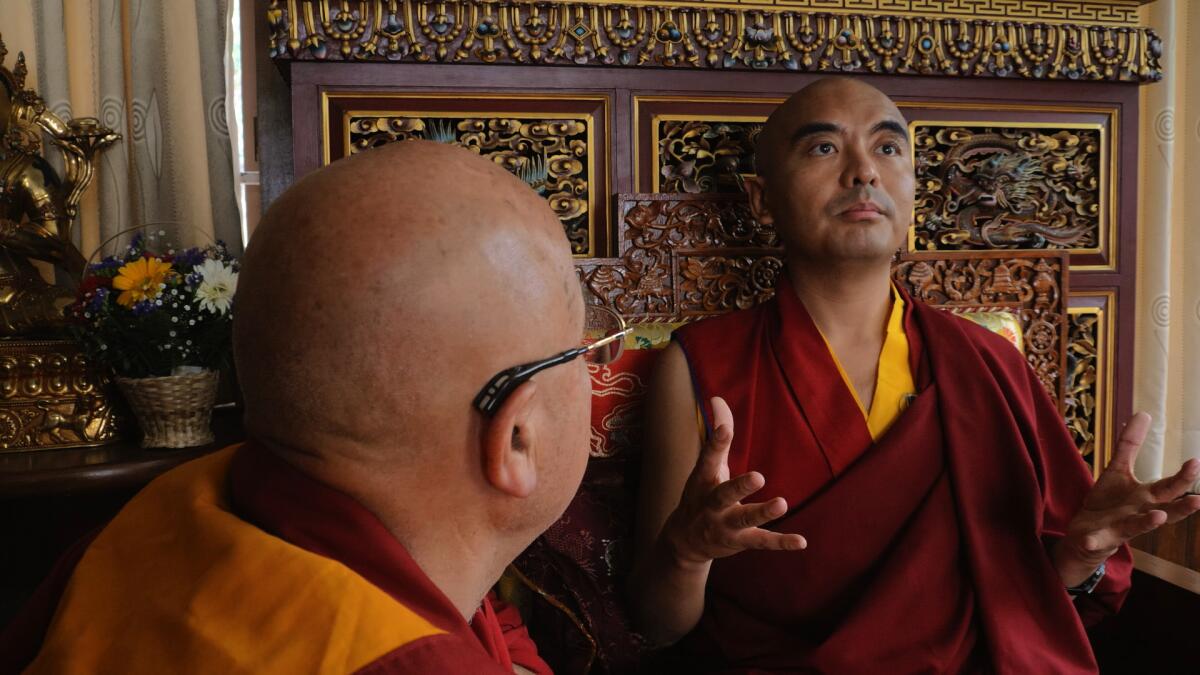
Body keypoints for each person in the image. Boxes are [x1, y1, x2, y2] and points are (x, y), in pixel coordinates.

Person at [630, 78, 1200, 674]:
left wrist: (1081, 557)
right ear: (761, 199)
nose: (863, 173)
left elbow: (1038, 601)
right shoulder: (701, 366)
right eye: (824, 149)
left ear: (912, 189)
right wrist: (687, 553)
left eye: (887, 148)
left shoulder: (987, 363)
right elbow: (656, 624)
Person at [1, 140, 620, 673]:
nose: (594, 368)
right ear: (516, 436)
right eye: (582, 346)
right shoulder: (399, 659)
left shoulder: (171, 512)